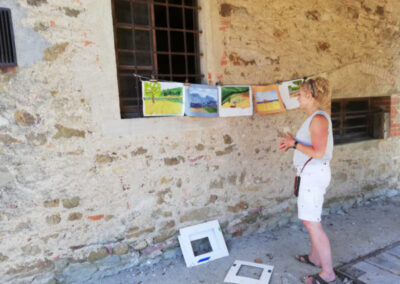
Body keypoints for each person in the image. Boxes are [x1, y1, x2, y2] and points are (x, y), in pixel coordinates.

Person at [278, 77, 336, 284]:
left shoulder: (318, 119)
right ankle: (315, 257)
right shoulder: (314, 117)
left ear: (310, 96)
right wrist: (293, 142)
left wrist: (294, 144)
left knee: (313, 223)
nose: (298, 99)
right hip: (308, 173)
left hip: (313, 175)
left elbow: (319, 152)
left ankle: (328, 273)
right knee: (308, 219)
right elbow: (311, 145)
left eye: (300, 95)